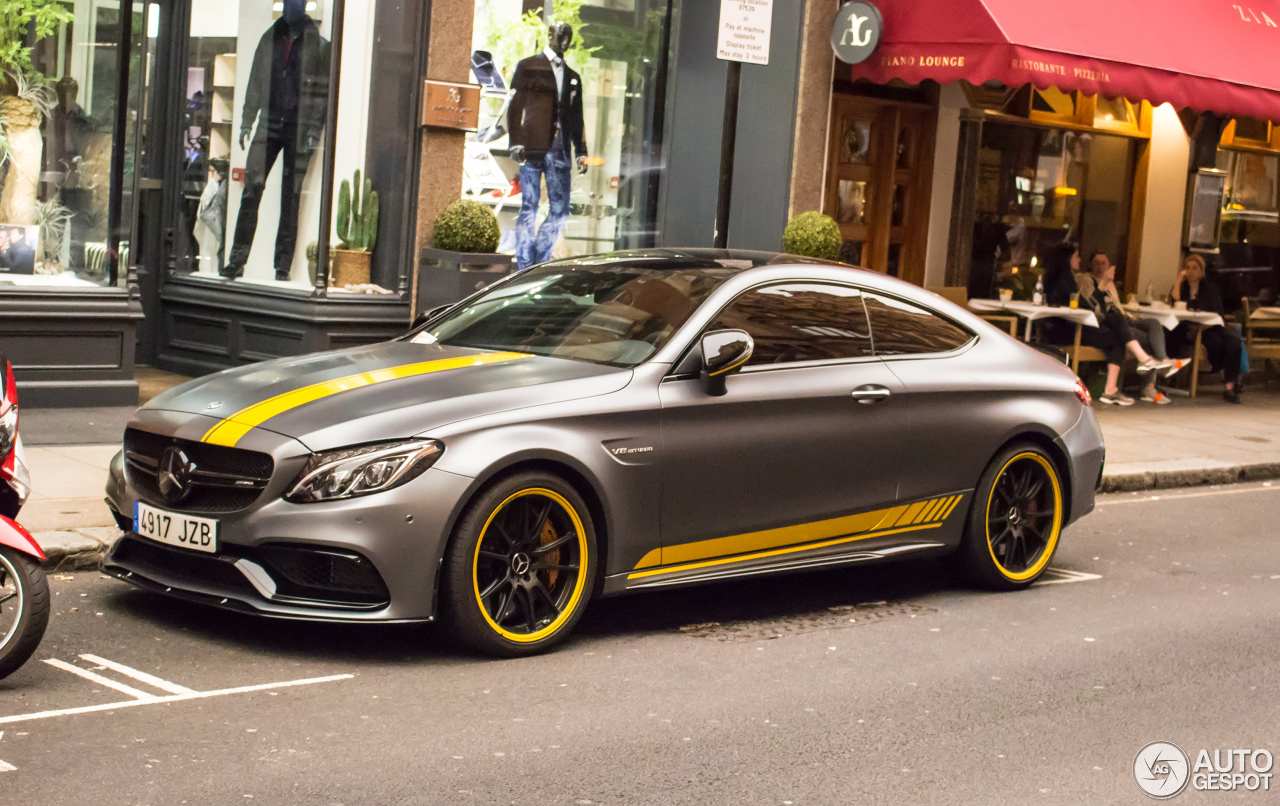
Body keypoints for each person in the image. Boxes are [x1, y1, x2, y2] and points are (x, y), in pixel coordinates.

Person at [508, 21, 589, 272]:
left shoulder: (573, 77)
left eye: (569, 37)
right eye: (561, 35)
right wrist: (516, 141)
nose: (565, 41)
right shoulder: (529, 67)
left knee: (561, 211)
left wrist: (582, 151)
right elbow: (515, 106)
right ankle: (524, 264)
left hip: (560, 149)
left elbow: (577, 118)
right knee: (529, 207)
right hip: (532, 147)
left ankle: (538, 262)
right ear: (550, 35)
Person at [1073, 250, 1180, 404]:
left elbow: (1116, 305)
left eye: (1103, 263)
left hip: (1121, 317)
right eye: (1096, 262)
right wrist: (1103, 285)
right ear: (1090, 265)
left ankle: (1163, 360)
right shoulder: (1087, 279)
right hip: (1107, 322)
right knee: (1148, 339)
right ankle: (1148, 387)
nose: (1100, 266)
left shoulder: (1109, 283)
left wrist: (1128, 315)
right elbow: (1096, 309)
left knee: (1154, 324)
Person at [1171, 253, 1245, 403]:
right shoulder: (1183, 288)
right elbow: (1175, 301)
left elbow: (1217, 311)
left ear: (1201, 271)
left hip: (1212, 325)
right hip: (1194, 328)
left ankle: (1230, 386)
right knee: (1215, 343)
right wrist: (1179, 279)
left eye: (1194, 268)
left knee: (1234, 342)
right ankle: (1225, 375)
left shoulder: (1210, 288)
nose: (1190, 271)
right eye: (1187, 268)